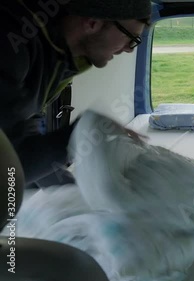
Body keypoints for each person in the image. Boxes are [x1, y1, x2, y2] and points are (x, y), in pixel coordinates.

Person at [0, 0, 151, 189]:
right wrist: (85, 131)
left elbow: (25, 138)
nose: (130, 49)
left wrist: (74, 193)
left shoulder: (56, 60)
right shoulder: (10, 42)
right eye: (132, 38)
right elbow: (9, 170)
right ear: (93, 23)